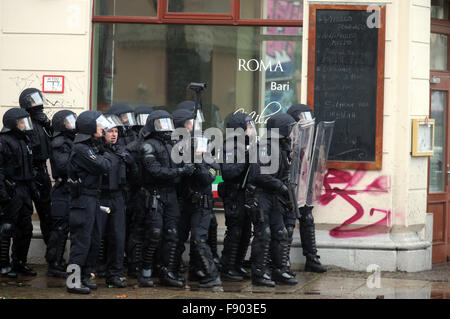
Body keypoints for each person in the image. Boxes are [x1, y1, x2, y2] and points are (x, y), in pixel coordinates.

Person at [138, 110, 194, 288]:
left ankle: (166, 271)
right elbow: (154, 170)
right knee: (154, 233)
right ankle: (145, 271)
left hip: (171, 195)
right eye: (161, 124)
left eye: (168, 124)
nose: (166, 128)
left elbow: (183, 162)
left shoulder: (172, 145)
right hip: (154, 194)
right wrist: (179, 171)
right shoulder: (148, 146)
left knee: (172, 234)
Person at [173, 109, 221, 288]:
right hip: (184, 202)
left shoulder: (203, 144)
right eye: (191, 123)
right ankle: (177, 271)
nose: (196, 126)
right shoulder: (176, 146)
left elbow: (210, 174)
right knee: (176, 238)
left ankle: (211, 274)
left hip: (201, 203)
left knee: (199, 239)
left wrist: (198, 160)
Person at [65, 111, 113, 294]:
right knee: (81, 242)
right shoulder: (82, 149)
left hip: (93, 198)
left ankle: (84, 276)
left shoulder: (91, 147)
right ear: (90, 128)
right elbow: (104, 166)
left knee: (94, 240)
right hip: (83, 200)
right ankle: (73, 281)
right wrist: (106, 154)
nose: (102, 129)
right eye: (99, 126)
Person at [250, 113, 299, 286]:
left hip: (275, 197)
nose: (293, 132)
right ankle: (259, 272)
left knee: (281, 233)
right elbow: (259, 174)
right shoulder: (265, 146)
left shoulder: (282, 146)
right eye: (290, 128)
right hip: (263, 196)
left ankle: (279, 270)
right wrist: (280, 186)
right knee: (264, 234)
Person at [95, 114, 137, 288]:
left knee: (118, 237)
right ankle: (94, 269)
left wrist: (129, 161)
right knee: (97, 236)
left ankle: (115, 274)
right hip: (101, 197)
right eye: (110, 131)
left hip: (118, 197)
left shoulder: (122, 150)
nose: (114, 134)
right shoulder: (96, 150)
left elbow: (133, 174)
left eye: (116, 131)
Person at [287, 104, 327, 273]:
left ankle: (312, 259)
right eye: (304, 118)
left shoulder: (311, 138)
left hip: (304, 186)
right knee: (287, 224)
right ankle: (282, 262)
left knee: (307, 219)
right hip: (288, 188)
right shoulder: (287, 136)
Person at [0, 108, 37, 277]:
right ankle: (3, 264)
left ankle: (20, 262)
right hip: (11, 189)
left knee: (26, 227)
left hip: (24, 189)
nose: (24, 125)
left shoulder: (25, 140)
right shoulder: (4, 141)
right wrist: (3, 193)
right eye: (22, 122)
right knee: (7, 227)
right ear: (13, 124)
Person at [218, 113, 255, 282]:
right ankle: (228, 267)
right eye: (248, 126)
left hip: (244, 195)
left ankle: (238, 264)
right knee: (235, 231)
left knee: (246, 231)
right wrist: (247, 158)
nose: (251, 129)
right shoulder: (230, 146)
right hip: (234, 194)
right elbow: (228, 172)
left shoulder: (245, 145)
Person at [19, 88, 53, 247]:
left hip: (42, 172)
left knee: (48, 215)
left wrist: (48, 124)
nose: (38, 103)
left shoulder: (42, 121)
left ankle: (53, 257)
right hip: (27, 173)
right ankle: (19, 260)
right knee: (24, 217)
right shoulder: (22, 122)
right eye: (33, 100)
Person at [45, 110, 77, 278]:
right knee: (59, 228)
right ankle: (54, 263)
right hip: (62, 190)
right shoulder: (59, 142)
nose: (73, 124)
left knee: (65, 228)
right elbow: (64, 165)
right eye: (69, 122)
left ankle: (59, 261)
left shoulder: (71, 140)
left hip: (69, 190)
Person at [124, 105, 154, 277]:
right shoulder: (133, 146)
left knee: (149, 230)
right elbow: (131, 174)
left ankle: (142, 266)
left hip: (149, 192)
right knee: (137, 230)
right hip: (137, 193)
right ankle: (134, 265)